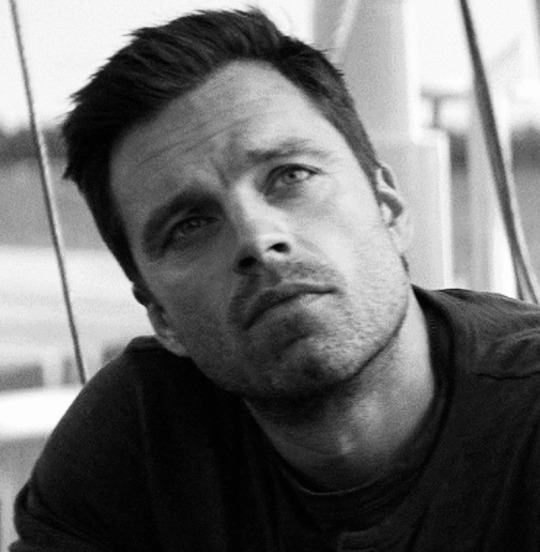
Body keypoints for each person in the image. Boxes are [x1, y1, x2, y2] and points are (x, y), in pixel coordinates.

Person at [10, 8, 540, 552]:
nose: (256, 238)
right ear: (161, 316)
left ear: (387, 205)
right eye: (189, 225)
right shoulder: (139, 442)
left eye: (291, 175)